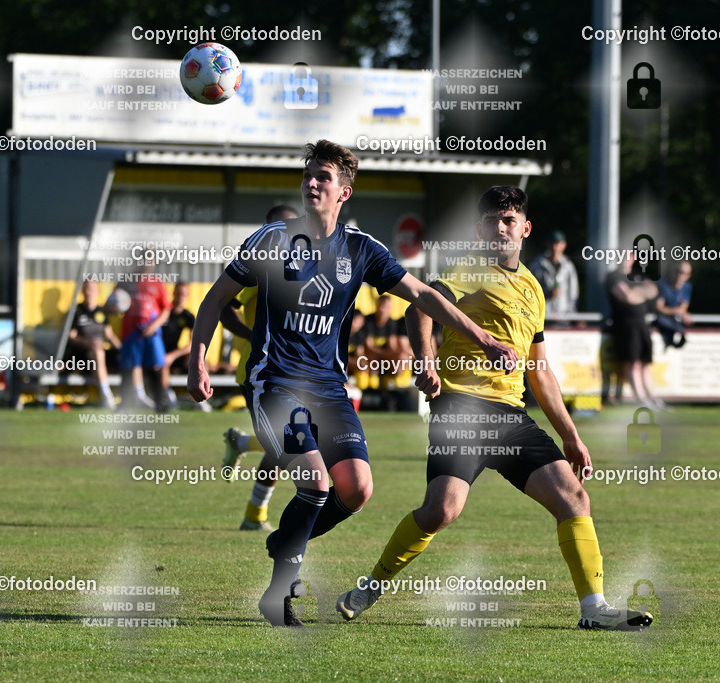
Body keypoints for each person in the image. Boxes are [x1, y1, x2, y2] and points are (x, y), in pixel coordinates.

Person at [187, 140, 517, 627]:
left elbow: (423, 294)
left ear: (344, 192)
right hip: (275, 385)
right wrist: (198, 362)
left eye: (323, 177)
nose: (312, 183)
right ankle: (279, 595)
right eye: (308, 175)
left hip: (328, 390)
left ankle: (286, 542)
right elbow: (215, 300)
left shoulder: (361, 250)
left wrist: (482, 337)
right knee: (315, 480)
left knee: (357, 489)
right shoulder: (272, 239)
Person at [335, 186, 652, 631]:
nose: (500, 229)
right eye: (491, 221)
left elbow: (539, 371)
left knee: (574, 498)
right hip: (462, 409)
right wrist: (426, 360)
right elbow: (419, 308)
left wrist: (570, 435)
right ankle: (374, 583)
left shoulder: (534, 289)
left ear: (525, 229)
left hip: (510, 416)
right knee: (441, 510)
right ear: (479, 229)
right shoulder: (468, 270)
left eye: (509, 220)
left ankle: (594, 609)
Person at [221, 204, 301, 532]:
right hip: (260, 372)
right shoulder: (258, 267)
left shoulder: (310, 267)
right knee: (287, 442)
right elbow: (225, 307)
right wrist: (252, 335)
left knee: (291, 441)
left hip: (300, 370)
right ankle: (255, 514)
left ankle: (254, 514)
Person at [606, 255, 665, 410]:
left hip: (643, 324)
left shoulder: (638, 275)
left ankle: (652, 398)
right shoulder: (613, 276)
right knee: (633, 362)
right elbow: (628, 297)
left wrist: (636, 291)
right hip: (626, 325)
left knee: (645, 362)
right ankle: (640, 398)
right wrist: (641, 293)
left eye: (629, 256)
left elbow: (653, 290)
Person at [119, 262, 171, 410]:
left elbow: (166, 309)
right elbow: (113, 301)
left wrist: (154, 326)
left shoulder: (157, 283)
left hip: (151, 333)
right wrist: (114, 306)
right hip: (131, 333)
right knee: (128, 367)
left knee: (155, 367)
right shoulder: (126, 280)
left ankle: (160, 402)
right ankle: (124, 404)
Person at [67, 280, 121, 409]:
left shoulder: (102, 312)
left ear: (98, 292)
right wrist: (89, 342)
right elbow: (72, 337)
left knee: (128, 355)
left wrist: (123, 349)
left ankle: (136, 395)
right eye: (86, 289)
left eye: (91, 289)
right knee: (97, 350)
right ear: (82, 291)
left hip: (100, 353)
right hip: (81, 355)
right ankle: (106, 395)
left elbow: (109, 335)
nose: (88, 292)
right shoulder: (77, 311)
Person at [354, 293, 413, 409]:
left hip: (381, 358)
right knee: (372, 361)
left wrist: (396, 357)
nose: (385, 309)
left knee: (401, 360)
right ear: (377, 305)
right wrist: (389, 355)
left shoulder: (391, 323)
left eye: (387, 306)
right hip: (370, 357)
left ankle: (394, 394)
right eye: (383, 306)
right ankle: (371, 396)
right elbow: (369, 347)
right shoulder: (369, 321)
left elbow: (391, 346)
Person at [160, 281, 210, 411]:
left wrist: (172, 355)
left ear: (187, 296)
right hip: (159, 353)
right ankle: (169, 399)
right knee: (162, 361)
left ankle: (201, 398)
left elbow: (193, 343)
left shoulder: (188, 316)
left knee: (201, 361)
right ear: (173, 294)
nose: (181, 297)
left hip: (174, 353)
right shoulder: (164, 312)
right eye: (179, 293)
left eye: (184, 294)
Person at [529, 230, 579, 321]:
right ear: (547, 245)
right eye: (552, 244)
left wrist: (572, 315)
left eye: (558, 244)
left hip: (564, 317)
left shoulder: (568, 266)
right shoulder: (536, 265)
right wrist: (547, 294)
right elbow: (529, 291)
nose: (555, 247)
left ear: (564, 245)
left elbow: (573, 292)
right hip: (542, 318)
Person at [654, 260, 693, 348]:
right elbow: (658, 307)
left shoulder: (687, 287)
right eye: (678, 272)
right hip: (661, 319)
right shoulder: (663, 285)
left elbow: (683, 307)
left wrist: (682, 313)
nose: (681, 276)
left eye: (686, 273)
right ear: (672, 271)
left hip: (674, 319)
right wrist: (676, 311)